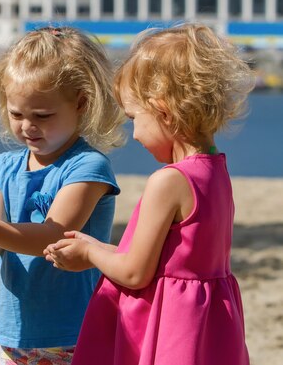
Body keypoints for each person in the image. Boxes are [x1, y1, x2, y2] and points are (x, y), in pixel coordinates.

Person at [44, 23, 253, 365]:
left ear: (163, 112)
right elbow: (164, 260)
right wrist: (94, 244)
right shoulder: (216, 170)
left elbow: (134, 273)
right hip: (208, 323)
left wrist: (90, 255)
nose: (136, 134)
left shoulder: (168, 181)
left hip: (171, 324)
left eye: (134, 118)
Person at [0, 26, 125, 365]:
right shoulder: (1, 169)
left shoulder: (87, 167)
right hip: (15, 332)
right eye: (16, 114)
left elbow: (53, 236)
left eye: (42, 116)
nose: (27, 126)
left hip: (75, 330)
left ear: (82, 103)